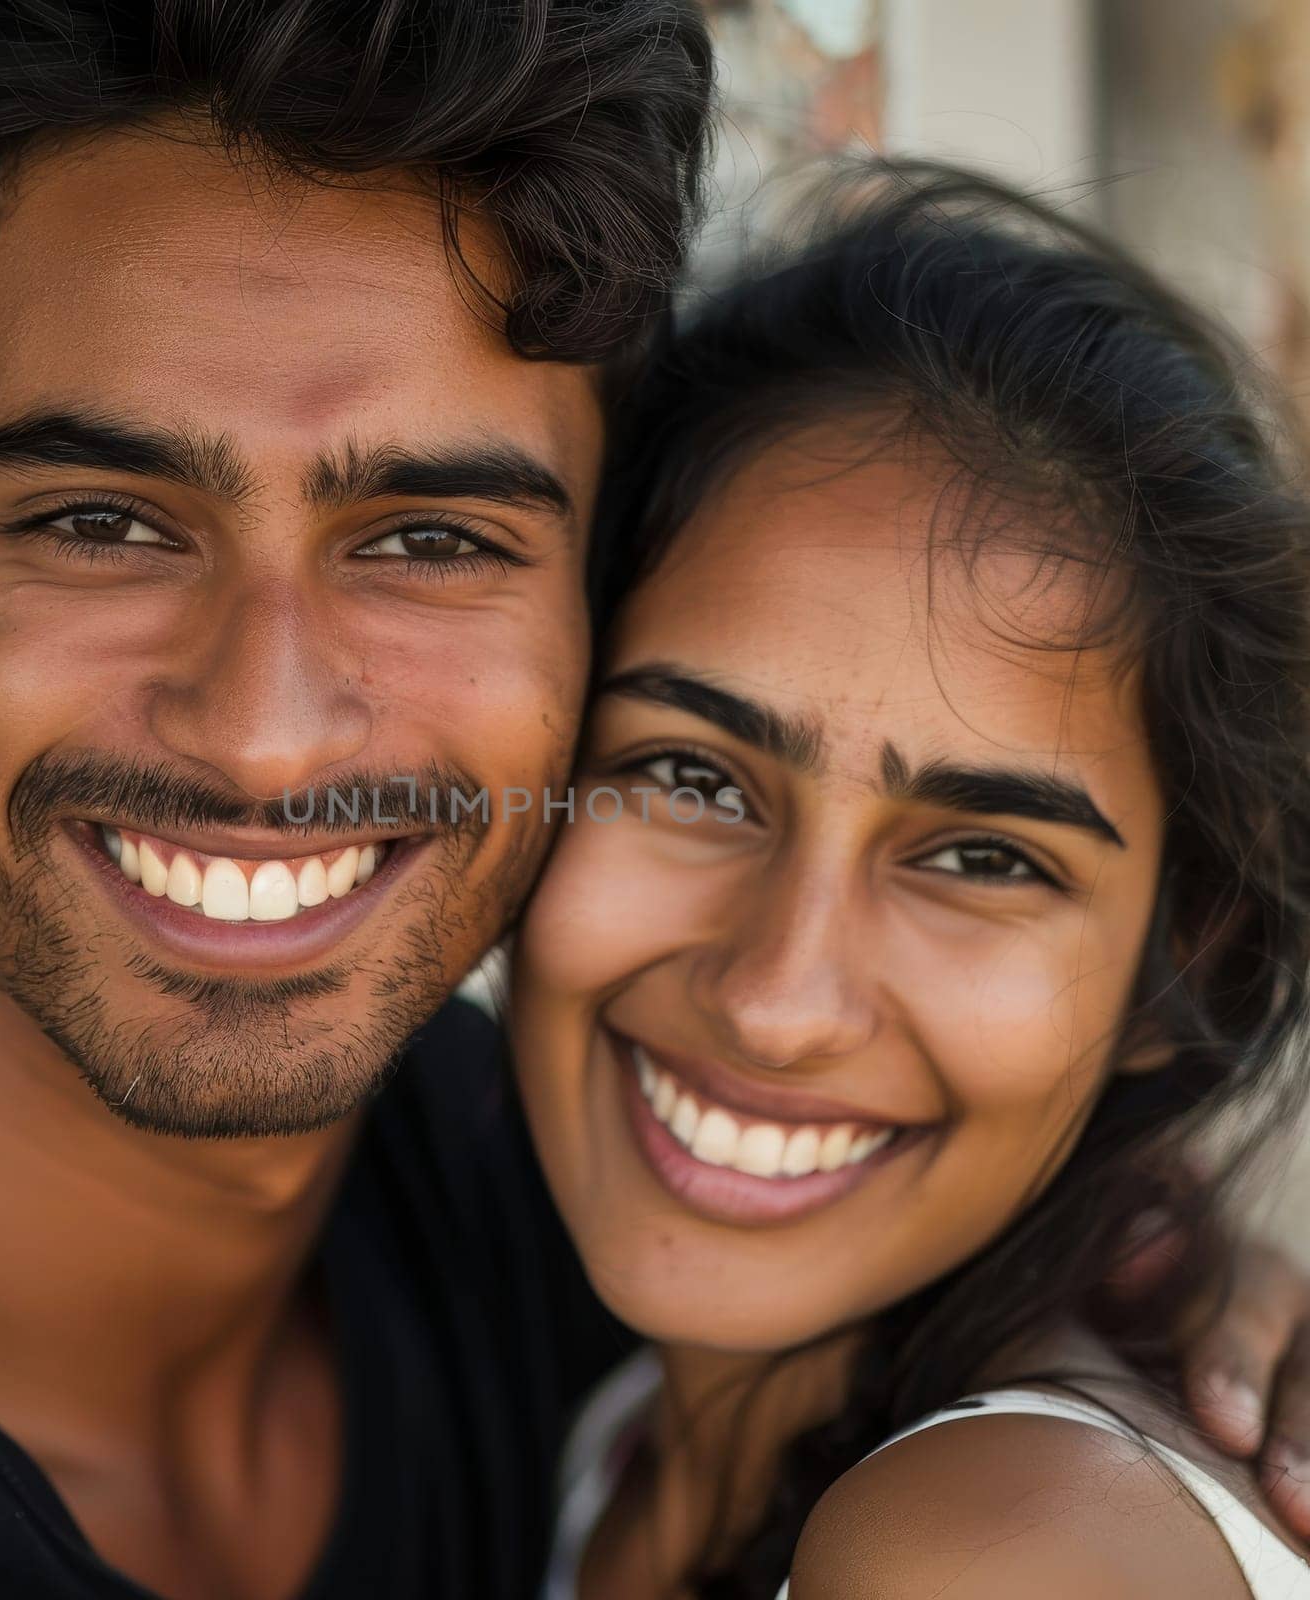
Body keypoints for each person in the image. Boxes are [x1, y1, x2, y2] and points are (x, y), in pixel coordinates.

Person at [0, 3, 1306, 1595]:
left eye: (430, 540)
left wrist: (1116, 1265)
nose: (265, 737)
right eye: (101, 522)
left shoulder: (569, 1204)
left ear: (594, 612)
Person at [513, 167, 1310, 1598]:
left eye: (983, 858)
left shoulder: (991, 1550)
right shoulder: (608, 1428)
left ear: (1177, 957)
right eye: (694, 779)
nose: (776, 1001)